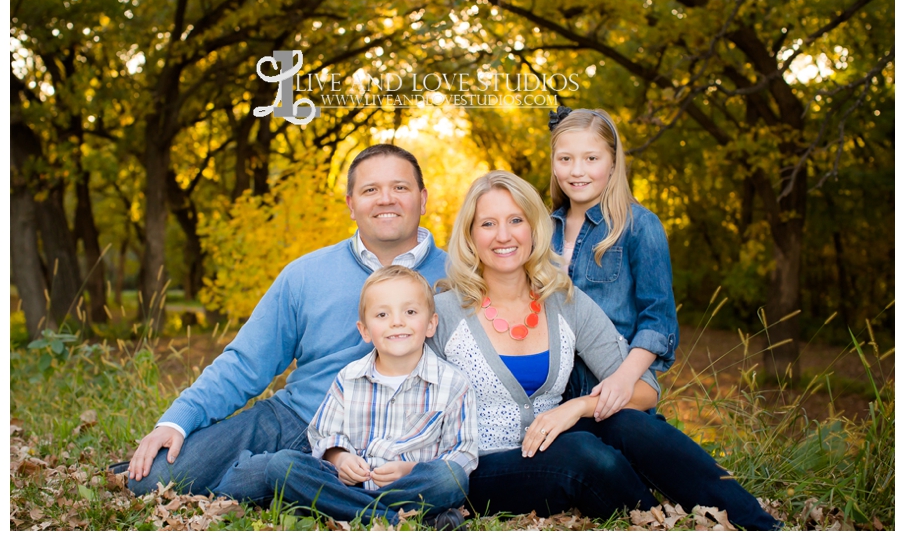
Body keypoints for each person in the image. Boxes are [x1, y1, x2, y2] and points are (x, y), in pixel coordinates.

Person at [430, 171, 780, 530]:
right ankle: (657, 520)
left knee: (629, 422)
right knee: (582, 453)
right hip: (482, 469)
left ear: (534, 228)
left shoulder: (565, 302)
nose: (503, 235)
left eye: (516, 220)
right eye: (488, 223)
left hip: (558, 448)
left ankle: (762, 527)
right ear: (471, 236)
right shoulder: (442, 312)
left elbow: (644, 390)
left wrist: (578, 406)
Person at [122, 145, 448, 498]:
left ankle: (275, 477)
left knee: (259, 478)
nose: (386, 199)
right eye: (370, 190)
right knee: (149, 481)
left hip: (401, 435)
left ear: (422, 198)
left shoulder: (458, 278)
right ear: (351, 204)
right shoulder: (306, 274)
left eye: (400, 187)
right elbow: (246, 362)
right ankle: (285, 475)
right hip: (296, 417)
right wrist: (177, 420)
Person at [211, 266, 478, 529]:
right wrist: (340, 458)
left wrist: (411, 470)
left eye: (410, 312)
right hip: (347, 483)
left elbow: (463, 453)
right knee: (282, 465)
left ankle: (340, 509)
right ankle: (395, 519)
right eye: (382, 314)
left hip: (410, 485)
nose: (397, 321)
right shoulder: (349, 377)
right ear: (364, 330)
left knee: (450, 478)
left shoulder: (453, 384)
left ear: (431, 323)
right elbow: (323, 433)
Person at [548, 105, 680, 414]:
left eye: (591, 158)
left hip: (613, 385)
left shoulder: (639, 226)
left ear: (612, 162)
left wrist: (623, 379)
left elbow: (658, 318)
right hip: (550, 392)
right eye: (565, 159)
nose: (577, 171)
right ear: (554, 165)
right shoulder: (541, 229)